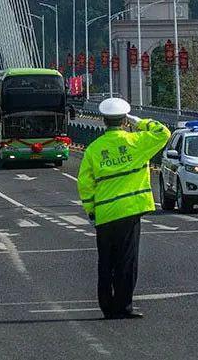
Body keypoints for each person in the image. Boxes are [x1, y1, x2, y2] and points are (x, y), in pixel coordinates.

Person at [78, 97, 170, 320]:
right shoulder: (137, 142)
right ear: (124, 121)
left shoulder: (94, 149)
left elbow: (85, 183)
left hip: (105, 214)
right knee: (126, 261)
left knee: (106, 262)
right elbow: (163, 132)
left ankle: (107, 307)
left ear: (103, 121)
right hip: (129, 211)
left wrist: (91, 210)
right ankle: (123, 306)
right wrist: (139, 122)